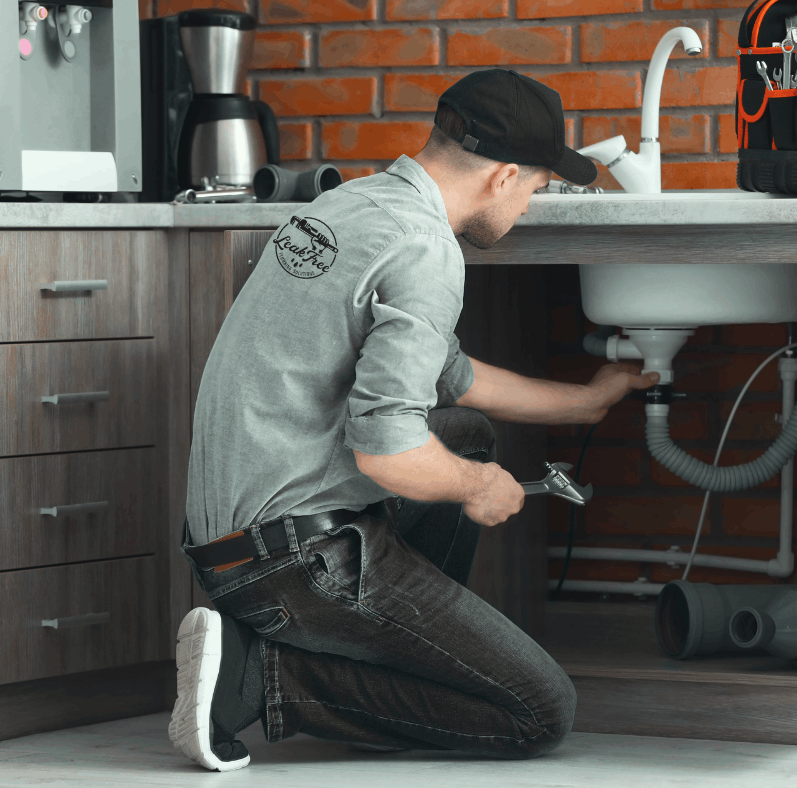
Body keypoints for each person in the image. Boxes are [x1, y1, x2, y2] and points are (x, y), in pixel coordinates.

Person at [169, 68, 660, 772]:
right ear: (504, 177)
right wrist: (476, 487)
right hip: (293, 564)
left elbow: (448, 375)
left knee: (464, 433)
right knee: (539, 710)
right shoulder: (428, 251)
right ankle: (263, 677)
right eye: (537, 188)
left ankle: (390, 649)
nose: (530, 204)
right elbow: (388, 454)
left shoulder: (355, 204)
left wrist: (583, 401)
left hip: (228, 541)